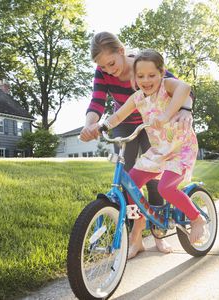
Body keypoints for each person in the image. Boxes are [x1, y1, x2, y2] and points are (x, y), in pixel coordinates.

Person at [80, 32, 194, 255]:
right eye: (104, 67)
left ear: (121, 52)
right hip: (124, 121)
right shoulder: (103, 70)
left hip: (152, 124)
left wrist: (184, 110)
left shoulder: (143, 66)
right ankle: (136, 236)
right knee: (129, 181)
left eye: (112, 63)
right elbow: (97, 101)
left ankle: (158, 234)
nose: (109, 70)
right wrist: (90, 125)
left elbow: (180, 87)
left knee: (154, 178)